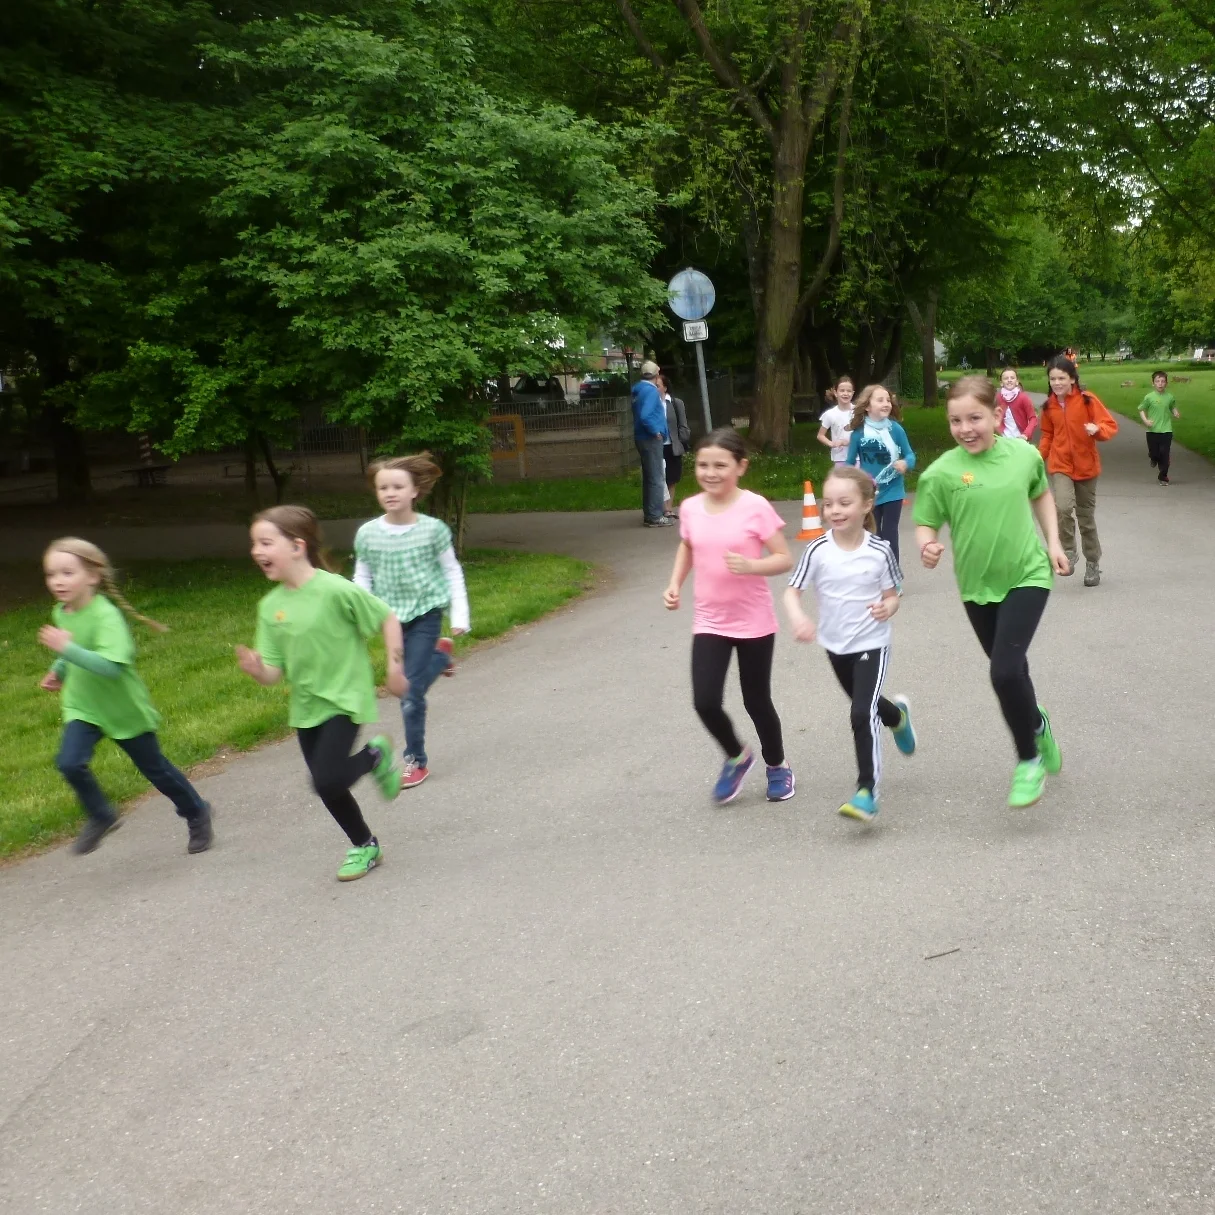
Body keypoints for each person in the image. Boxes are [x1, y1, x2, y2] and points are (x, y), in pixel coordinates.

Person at [914, 376, 1070, 808]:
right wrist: (926, 545)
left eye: (975, 418)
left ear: (997, 416)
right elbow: (926, 520)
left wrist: (1053, 543)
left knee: (1002, 671)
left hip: (1028, 574)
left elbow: (1041, 494)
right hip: (977, 587)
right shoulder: (941, 473)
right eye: (955, 421)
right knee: (1012, 668)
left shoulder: (1023, 456)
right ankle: (1038, 724)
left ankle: (1028, 761)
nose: (966, 428)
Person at [237, 506, 407, 882]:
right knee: (329, 786)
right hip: (306, 705)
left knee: (327, 780)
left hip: (344, 698)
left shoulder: (334, 589)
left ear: (297, 546)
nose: (256, 551)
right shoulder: (270, 607)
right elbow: (273, 672)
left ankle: (375, 755)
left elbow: (386, 618)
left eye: (266, 542)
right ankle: (365, 845)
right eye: (254, 544)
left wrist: (394, 665)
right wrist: (256, 669)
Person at [37, 537, 213, 856]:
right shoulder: (63, 612)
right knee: (69, 762)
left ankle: (196, 811)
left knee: (156, 770)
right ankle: (101, 814)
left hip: (122, 709)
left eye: (66, 572)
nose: (58, 581)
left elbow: (111, 666)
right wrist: (60, 668)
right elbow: (77, 645)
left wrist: (67, 650)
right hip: (84, 706)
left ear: (93, 576)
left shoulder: (106, 616)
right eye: (51, 574)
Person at [663, 427, 796, 804]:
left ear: (741, 467)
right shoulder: (689, 507)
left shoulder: (754, 506)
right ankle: (737, 756)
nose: (710, 472)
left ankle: (778, 766)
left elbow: (783, 558)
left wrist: (752, 566)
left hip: (753, 620)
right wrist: (674, 583)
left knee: (756, 701)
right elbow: (688, 548)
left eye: (720, 465)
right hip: (710, 620)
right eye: (703, 465)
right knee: (704, 701)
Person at [783, 466, 916, 823]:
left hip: (872, 642)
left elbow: (893, 595)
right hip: (835, 645)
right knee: (869, 705)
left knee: (860, 712)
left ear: (866, 505)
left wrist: (888, 607)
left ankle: (866, 792)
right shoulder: (817, 550)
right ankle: (897, 717)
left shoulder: (880, 550)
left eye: (844, 503)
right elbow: (792, 591)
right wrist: (798, 617)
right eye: (828, 504)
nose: (834, 511)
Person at [354, 453, 470, 789]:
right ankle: (441, 657)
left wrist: (459, 615)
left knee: (409, 691)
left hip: (426, 613)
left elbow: (451, 570)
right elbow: (363, 575)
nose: (390, 493)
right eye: (383, 488)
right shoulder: (368, 534)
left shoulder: (433, 530)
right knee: (411, 683)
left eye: (397, 486)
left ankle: (415, 760)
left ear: (414, 491)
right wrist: (361, 613)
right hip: (390, 621)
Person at [1039, 354, 1118, 587]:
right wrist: (1036, 458)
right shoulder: (1048, 406)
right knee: (1062, 507)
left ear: (1072, 378)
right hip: (1060, 465)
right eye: (1053, 379)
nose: (1057, 383)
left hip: (1086, 467)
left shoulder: (1087, 400)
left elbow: (1110, 426)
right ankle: (1069, 550)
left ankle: (1092, 562)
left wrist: (1097, 429)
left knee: (1086, 519)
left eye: (1061, 378)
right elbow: (1047, 436)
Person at [844, 383, 916, 562]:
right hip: (870, 492)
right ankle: (876, 571)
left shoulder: (896, 429)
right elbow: (849, 463)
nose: (886, 403)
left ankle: (893, 577)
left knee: (890, 532)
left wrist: (905, 463)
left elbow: (910, 454)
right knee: (874, 534)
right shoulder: (858, 434)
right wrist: (847, 481)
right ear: (867, 406)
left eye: (888, 400)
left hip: (894, 488)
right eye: (880, 400)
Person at [631, 360, 672, 527]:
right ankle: (655, 516)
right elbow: (646, 415)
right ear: (657, 374)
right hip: (650, 439)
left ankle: (650, 513)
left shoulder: (637, 390)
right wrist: (656, 431)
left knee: (649, 477)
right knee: (656, 477)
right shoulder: (651, 391)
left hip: (641, 437)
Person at [1138, 371, 1180, 485]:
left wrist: (1175, 412)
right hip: (1152, 431)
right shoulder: (1149, 397)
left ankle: (1163, 476)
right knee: (1155, 453)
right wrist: (1146, 421)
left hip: (1166, 430)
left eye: (1162, 381)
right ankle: (1153, 457)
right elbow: (1141, 409)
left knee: (1165, 455)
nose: (1160, 384)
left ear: (1166, 383)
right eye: (1157, 381)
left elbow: (1172, 407)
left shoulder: (1170, 397)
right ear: (1153, 383)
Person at [660, 377, 692, 519]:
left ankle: (669, 508)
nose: (655, 389)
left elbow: (683, 424)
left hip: (672, 446)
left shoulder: (675, 403)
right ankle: (662, 508)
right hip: (657, 447)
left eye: (658, 386)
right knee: (660, 477)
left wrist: (681, 440)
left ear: (665, 388)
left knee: (671, 478)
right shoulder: (652, 404)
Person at [816, 375, 856, 465]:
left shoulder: (858, 412)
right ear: (836, 392)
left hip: (858, 457)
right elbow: (820, 435)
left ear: (853, 393)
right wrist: (831, 444)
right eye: (842, 390)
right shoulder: (830, 414)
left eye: (849, 391)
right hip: (840, 458)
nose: (845, 393)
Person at [998, 368, 1038, 442]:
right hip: (1004, 439)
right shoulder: (998, 398)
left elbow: (1033, 418)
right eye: (1006, 378)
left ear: (1017, 382)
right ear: (1001, 383)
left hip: (1021, 439)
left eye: (1012, 378)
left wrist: (1026, 434)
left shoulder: (1023, 398)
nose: (1009, 380)